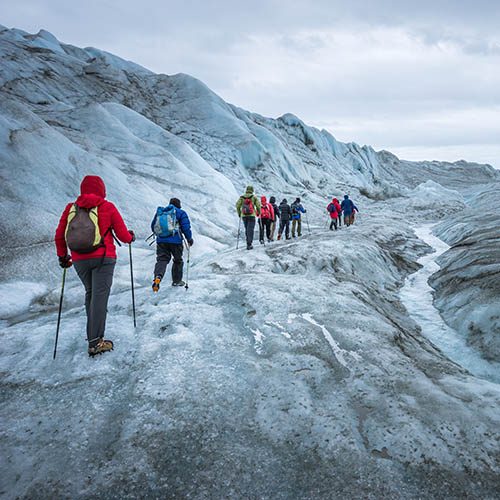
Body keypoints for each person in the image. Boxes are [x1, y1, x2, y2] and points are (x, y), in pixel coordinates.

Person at [55, 175, 135, 357]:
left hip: (79, 259)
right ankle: (95, 342)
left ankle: (93, 335)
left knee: (91, 294)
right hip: (103, 258)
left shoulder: (71, 208)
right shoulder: (107, 207)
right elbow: (123, 235)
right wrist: (131, 237)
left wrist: (63, 257)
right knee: (99, 297)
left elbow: (60, 235)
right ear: (102, 190)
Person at [151, 197, 193, 291]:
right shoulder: (180, 213)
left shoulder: (161, 212)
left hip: (161, 241)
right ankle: (177, 281)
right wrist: (189, 239)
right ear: (179, 205)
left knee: (162, 260)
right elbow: (186, 227)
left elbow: (153, 226)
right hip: (176, 241)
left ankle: (158, 277)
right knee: (178, 260)